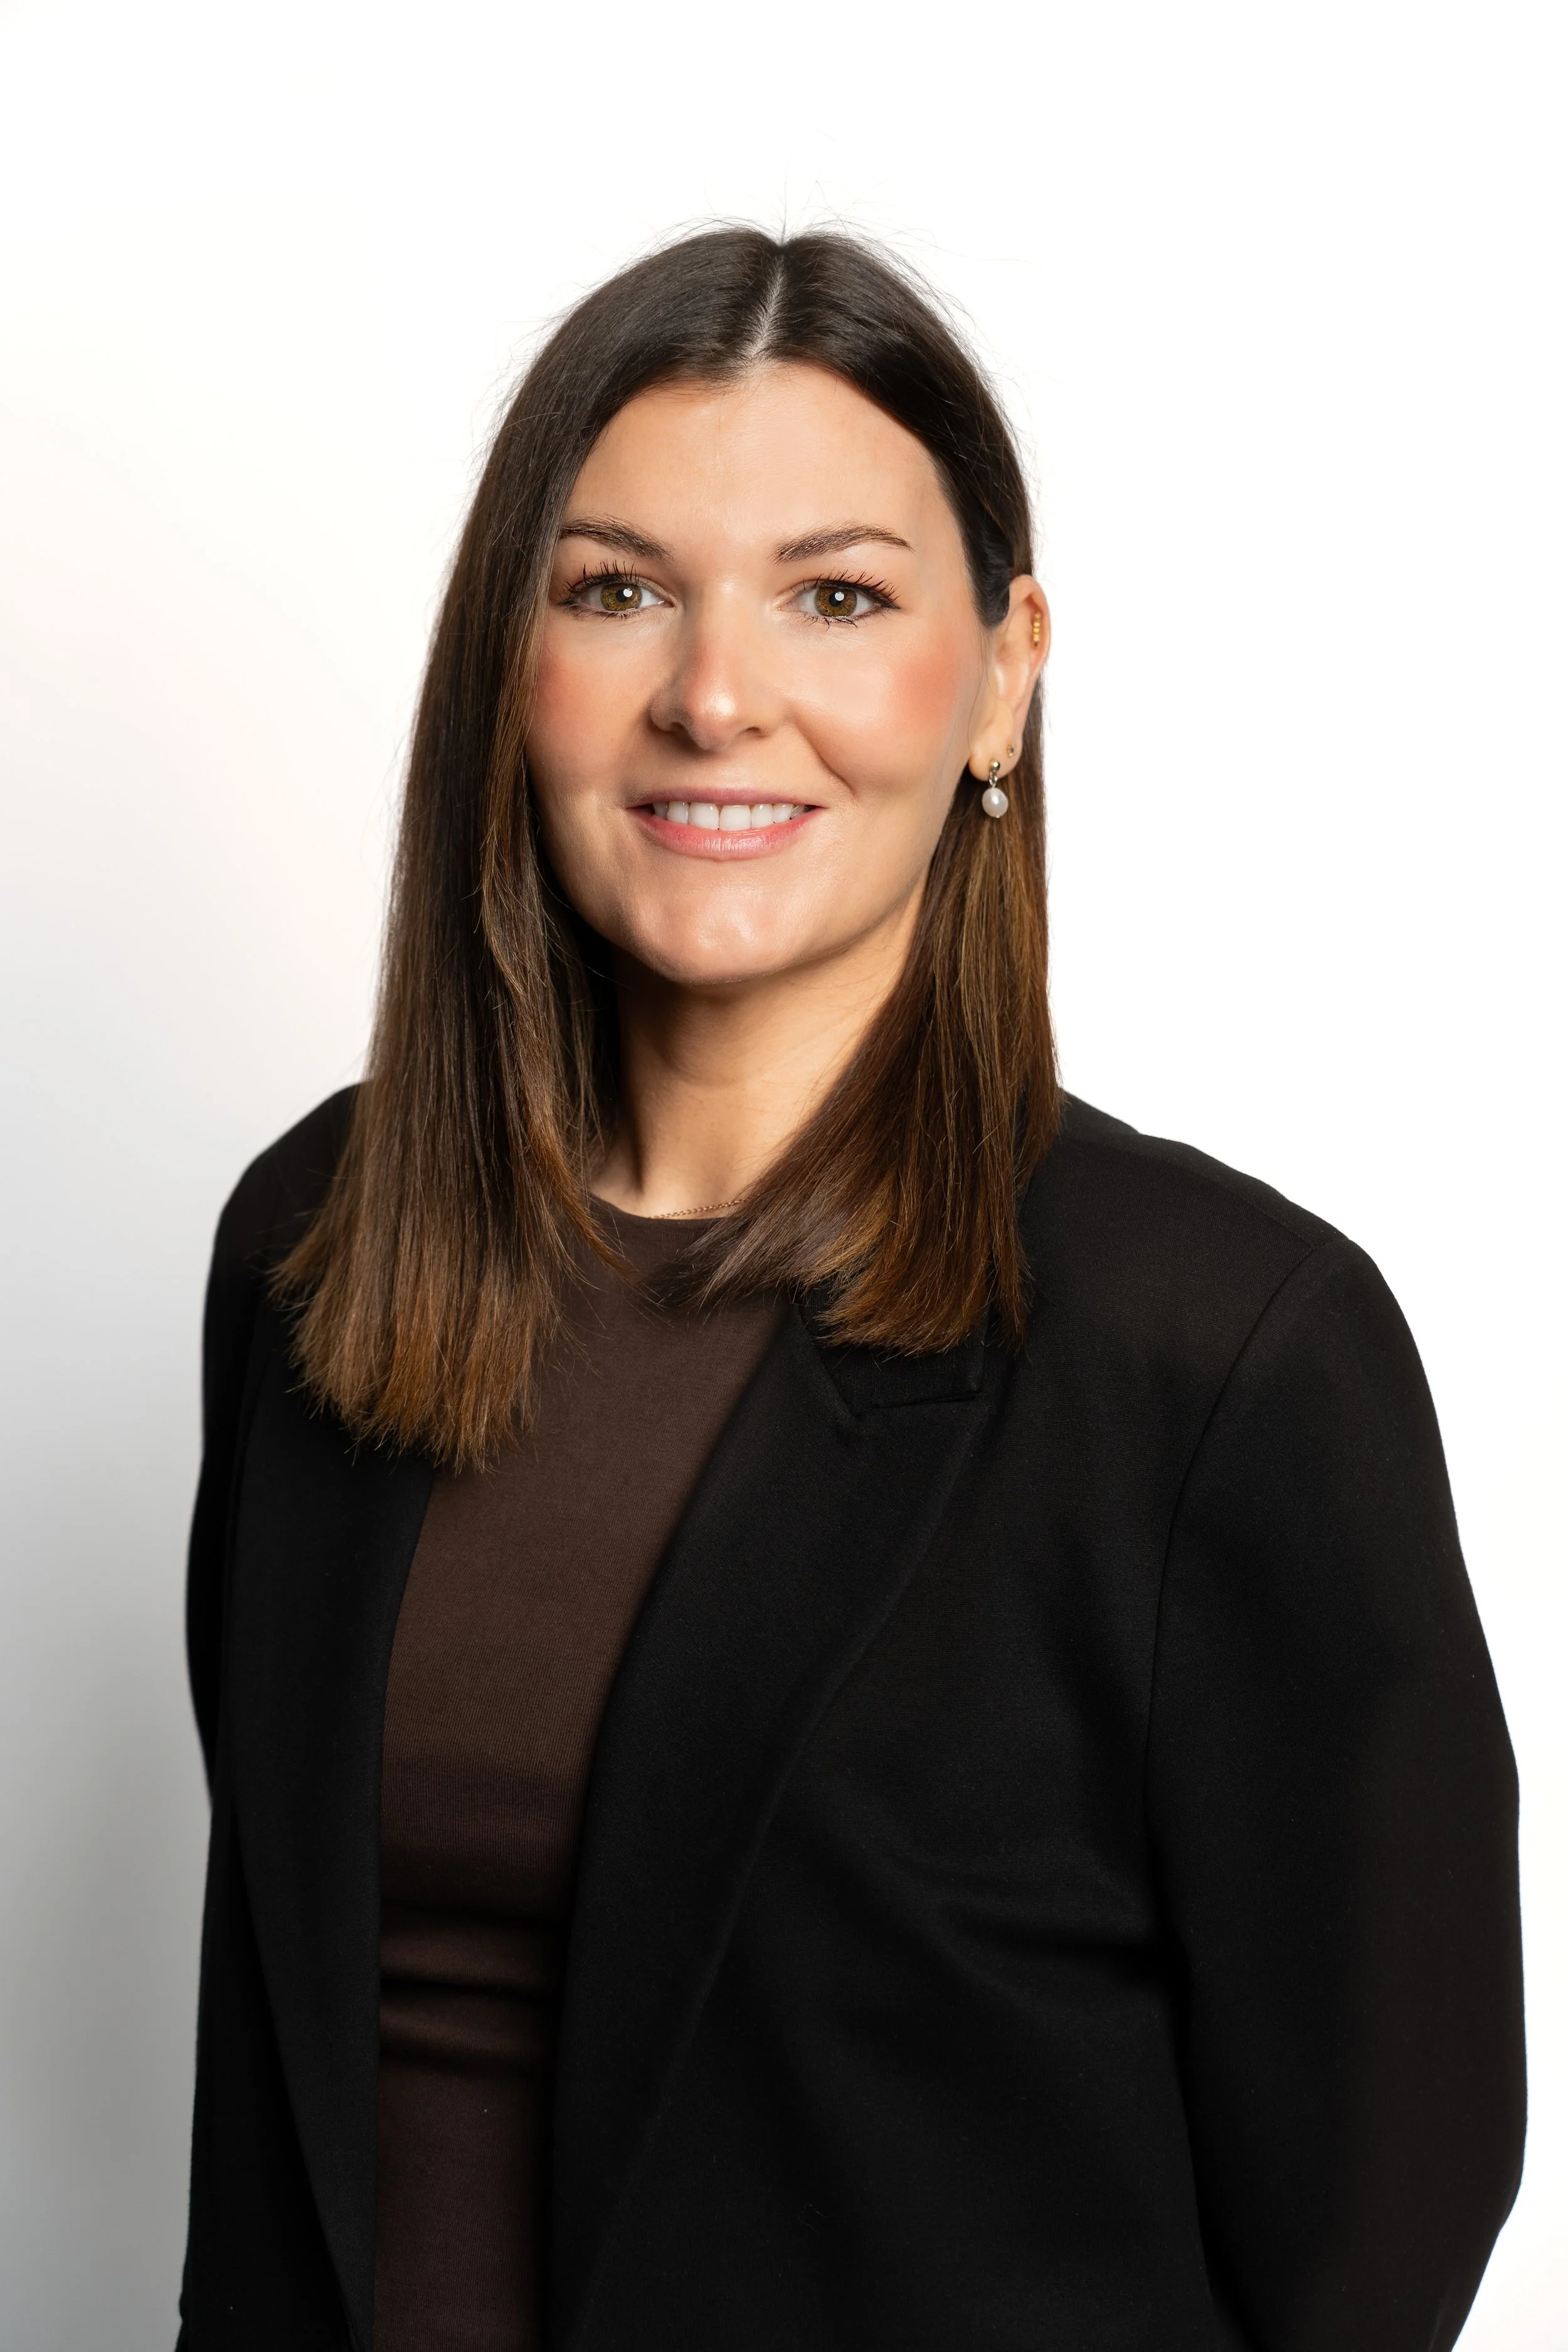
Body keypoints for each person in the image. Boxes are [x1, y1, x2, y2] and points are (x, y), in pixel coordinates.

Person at [176, 227, 1525, 2352]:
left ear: (999, 675)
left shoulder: (1220, 1356)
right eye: (613, 587)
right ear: (501, 666)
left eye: (838, 594)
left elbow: (1378, 2220)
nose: (717, 692)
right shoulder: (315, 1251)